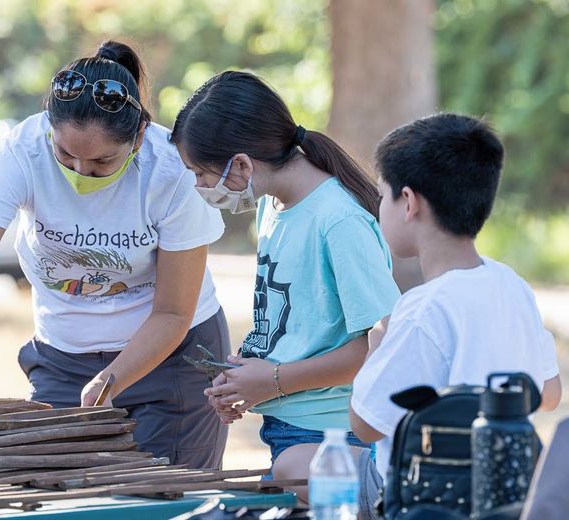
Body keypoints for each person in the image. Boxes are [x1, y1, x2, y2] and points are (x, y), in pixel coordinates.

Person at [0, 40, 230, 469]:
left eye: (101, 162)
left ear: (139, 137)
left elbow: (172, 313)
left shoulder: (170, 171)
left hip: (172, 360)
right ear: (48, 128)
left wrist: (113, 379)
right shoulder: (22, 153)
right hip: (63, 357)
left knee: (166, 502)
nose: (80, 172)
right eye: (65, 154)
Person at [169, 71, 401, 501]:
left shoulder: (338, 220)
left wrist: (272, 380)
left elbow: (380, 345)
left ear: (240, 164)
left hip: (335, 438)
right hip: (288, 429)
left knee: (287, 476)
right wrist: (243, 378)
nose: (199, 187)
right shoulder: (272, 209)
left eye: (200, 174)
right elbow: (296, 327)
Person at [349, 113, 563, 516]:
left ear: (409, 202)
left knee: (297, 464)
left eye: (382, 195)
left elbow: (365, 423)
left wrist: (378, 346)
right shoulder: (510, 284)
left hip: (424, 494)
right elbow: (549, 395)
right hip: (503, 491)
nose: (380, 208)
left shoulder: (422, 310)